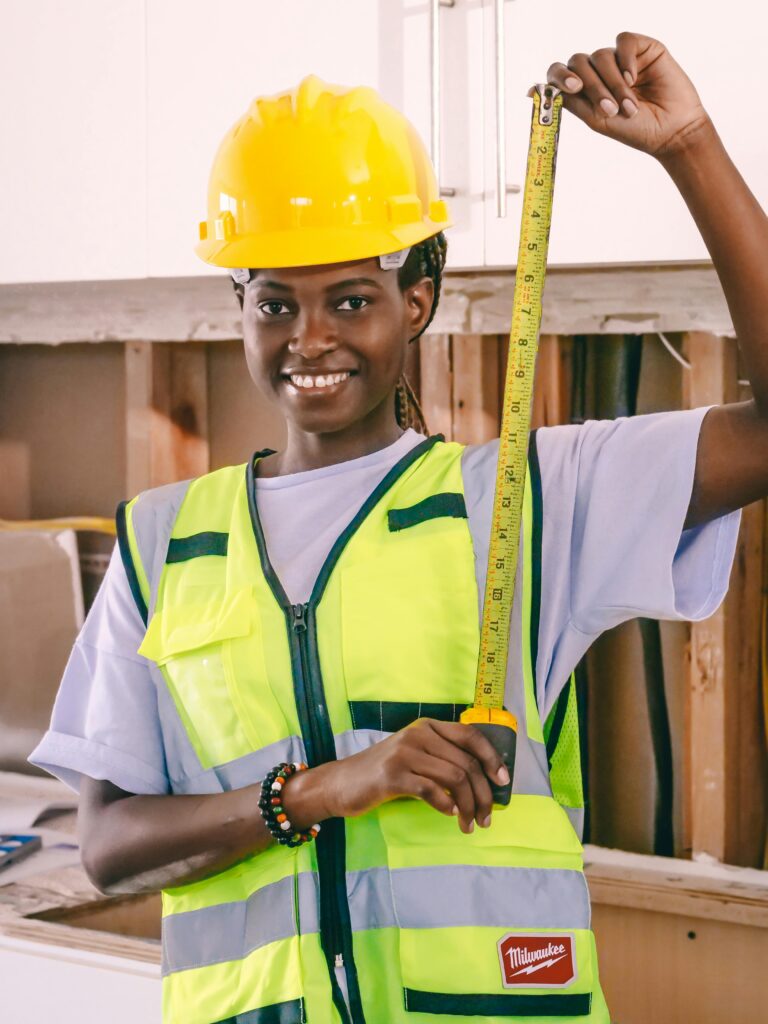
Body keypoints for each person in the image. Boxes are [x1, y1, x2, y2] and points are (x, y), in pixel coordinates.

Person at [30, 31, 768, 1024]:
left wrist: (692, 148)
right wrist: (328, 788)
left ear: (414, 301)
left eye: (350, 299)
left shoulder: (526, 500)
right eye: (274, 303)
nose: (312, 339)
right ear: (238, 309)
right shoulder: (164, 543)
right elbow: (110, 844)